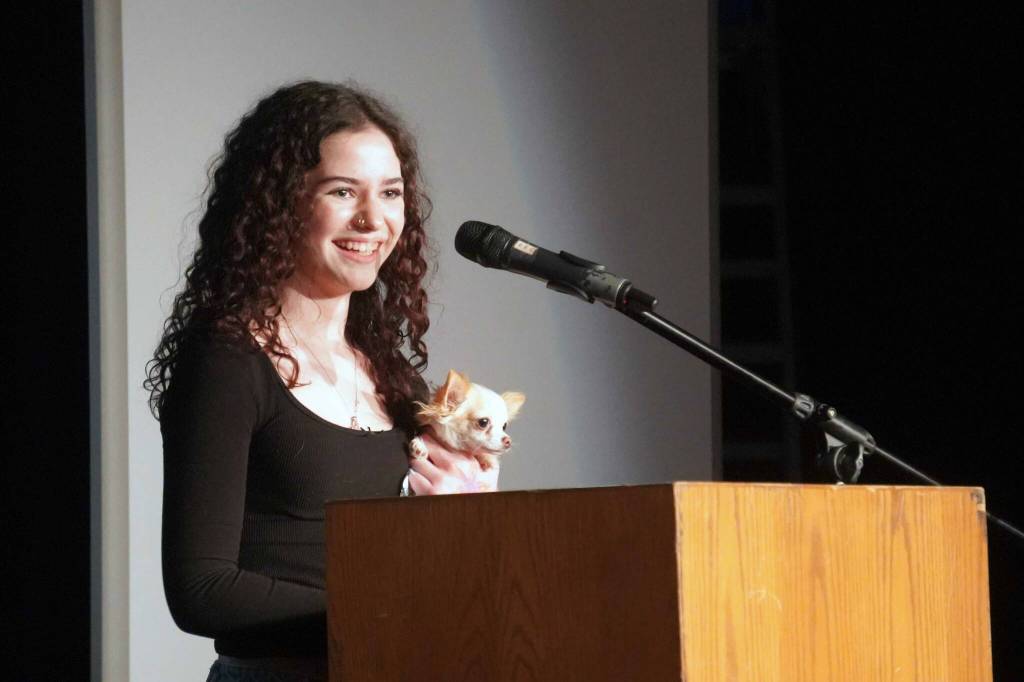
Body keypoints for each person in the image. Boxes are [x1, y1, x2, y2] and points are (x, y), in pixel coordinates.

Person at [145, 81, 498, 682]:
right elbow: (202, 590)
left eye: (390, 193)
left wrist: (469, 516)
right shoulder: (229, 361)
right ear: (278, 206)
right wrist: (385, 612)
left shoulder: (393, 375)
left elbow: (422, 568)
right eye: (342, 191)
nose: (373, 219)